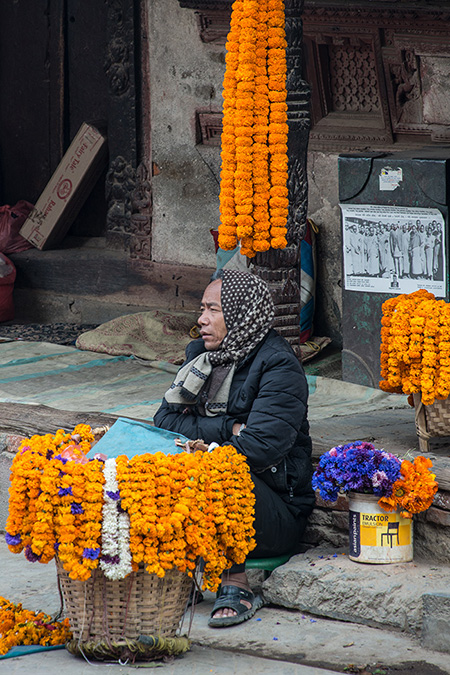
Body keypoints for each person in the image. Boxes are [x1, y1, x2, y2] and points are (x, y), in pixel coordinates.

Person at [154, 269, 314, 628]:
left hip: (274, 510)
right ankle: (175, 574)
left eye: (213, 310)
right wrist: (228, 427)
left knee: (220, 470)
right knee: (151, 470)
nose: (201, 319)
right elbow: (164, 420)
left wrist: (205, 451)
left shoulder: (278, 365)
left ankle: (236, 581)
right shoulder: (201, 357)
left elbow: (258, 447)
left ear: (242, 313)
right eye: (201, 308)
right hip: (212, 489)